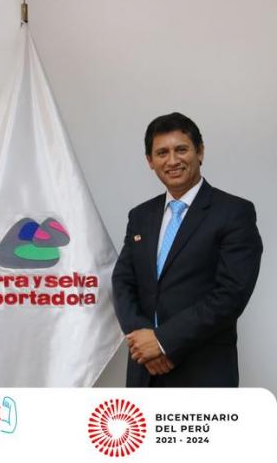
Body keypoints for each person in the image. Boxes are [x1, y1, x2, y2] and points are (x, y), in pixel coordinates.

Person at [112, 112, 262, 387]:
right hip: (144, 371)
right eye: (162, 153)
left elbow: (231, 295)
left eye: (181, 149)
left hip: (203, 373)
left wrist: (162, 341)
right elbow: (123, 282)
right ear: (150, 161)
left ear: (200, 152)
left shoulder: (234, 212)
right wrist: (144, 340)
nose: (172, 161)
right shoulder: (140, 216)